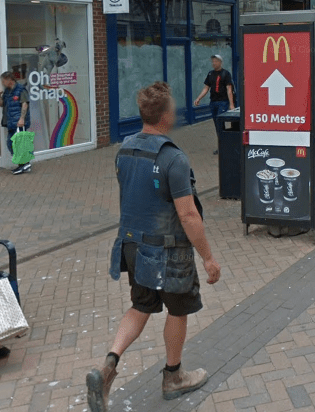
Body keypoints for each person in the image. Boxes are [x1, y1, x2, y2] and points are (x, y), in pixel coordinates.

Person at [86, 82, 221, 412]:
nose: (175, 112)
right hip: (169, 252)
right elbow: (188, 215)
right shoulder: (173, 158)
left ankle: (108, 366)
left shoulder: (125, 149)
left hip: (133, 247)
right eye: (172, 108)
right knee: (177, 310)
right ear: (164, 115)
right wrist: (208, 258)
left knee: (141, 306)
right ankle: (173, 377)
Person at [193, 55, 235, 155]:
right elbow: (206, 88)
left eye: (215, 61)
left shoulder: (226, 74)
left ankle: (225, 147)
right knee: (217, 125)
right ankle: (222, 146)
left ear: (220, 62)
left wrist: (231, 104)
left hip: (223, 102)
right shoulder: (210, 74)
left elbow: (229, 89)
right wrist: (199, 98)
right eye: (212, 61)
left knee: (220, 124)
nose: (213, 63)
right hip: (213, 103)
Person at [0, 71, 31, 174]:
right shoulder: (7, 91)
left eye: (3, 81)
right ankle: (25, 164)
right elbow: (2, 104)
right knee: (11, 143)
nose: (2, 83)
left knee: (18, 144)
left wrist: (22, 119)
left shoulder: (20, 90)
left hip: (19, 122)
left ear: (9, 79)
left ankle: (23, 165)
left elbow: (25, 104)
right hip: (10, 122)